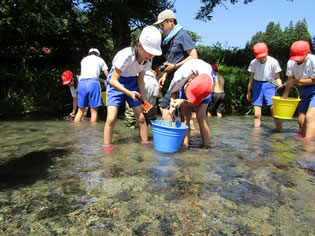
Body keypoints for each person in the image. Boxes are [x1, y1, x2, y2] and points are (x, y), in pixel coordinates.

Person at [103, 26, 162, 151]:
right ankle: (107, 146)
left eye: (153, 53)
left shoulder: (148, 61)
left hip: (132, 82)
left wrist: (145, 101)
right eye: (148, 51)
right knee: (111, 117)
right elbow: (112, 80)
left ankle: (144, 143)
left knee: (141, 117)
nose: (151, 55)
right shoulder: (126, 56)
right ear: (139, 45)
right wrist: (129, 93)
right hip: (116, 81)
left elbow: (140, 81)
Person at [154, 9, 198, 121]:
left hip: (183, 81)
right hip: (173, 81)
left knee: (165, 108)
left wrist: (174, 66)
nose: (161, 28)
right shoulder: (170, 40)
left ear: (170, 21)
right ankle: (181, 137)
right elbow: (171, 61)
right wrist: (164, 75)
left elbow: (193, 56)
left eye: (162, 25)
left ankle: (170, 137)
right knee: (181, 114)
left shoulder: (183, 35)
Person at [168, 59, 214, 148]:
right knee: (184, 116)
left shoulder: (208, 85)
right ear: (188, 82)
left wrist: (183, 101)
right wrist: (172, 107)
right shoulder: (178, 79)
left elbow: (199, 102)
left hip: (205, 79)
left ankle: (206, 147)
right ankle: (185, 146)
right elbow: (173, 93)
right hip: (187, 75)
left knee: (201, 115)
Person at [282, 40, 315, 141]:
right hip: (304, 89)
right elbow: (289, 82)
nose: (297, 60)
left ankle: (307, 147)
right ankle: (302, 142)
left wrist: (295, 81)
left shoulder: (313, 60)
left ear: (307, 52)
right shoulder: (291, 63)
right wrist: (284, 98)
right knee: (301, 120)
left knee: (310, 117)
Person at [246, 42, 283, 131]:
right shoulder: (253, 63)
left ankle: (279, 131)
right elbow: (251, 78)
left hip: (270, 83)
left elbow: (277, 78)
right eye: (259, 57)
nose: (261, 59)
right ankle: (256, 136)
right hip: (257, 84)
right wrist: (248, 91)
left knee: (275, 111)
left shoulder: (273, 62)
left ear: (267, 53)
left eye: (263, 56)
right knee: (256, 114)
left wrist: (278, 83)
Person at [74, 48, 109, 123]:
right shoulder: (100, 60)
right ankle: (93, 132)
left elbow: (88, 74)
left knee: (80, 110)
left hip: (82, 83)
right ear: (98, 55)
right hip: (93, 83)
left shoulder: (84, 60)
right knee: (94, 110)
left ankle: (76, 130)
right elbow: (107, 75)